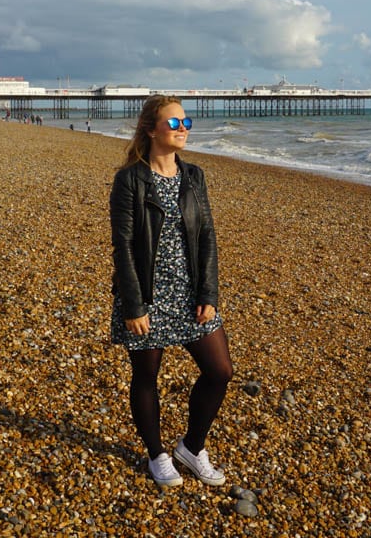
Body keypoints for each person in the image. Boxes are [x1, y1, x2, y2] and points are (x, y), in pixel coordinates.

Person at [109, 95, 233, 488]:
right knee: (146, 375)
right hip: (146, 295)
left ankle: (192, 448)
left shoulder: (194, 176)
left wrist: (209, 294)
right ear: (151, 130)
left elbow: (208, 236)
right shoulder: (130, 179)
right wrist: (134, 304)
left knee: (220, 371)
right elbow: (124, 245)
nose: (184, 130)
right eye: (174, 124)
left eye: (186, 122)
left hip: (190, 290)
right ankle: (156, 454)